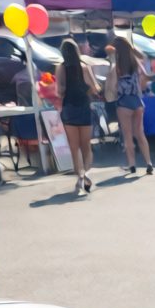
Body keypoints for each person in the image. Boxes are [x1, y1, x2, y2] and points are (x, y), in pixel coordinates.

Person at [57, 38, 99, 194]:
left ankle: (80, 176)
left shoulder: (61, 68)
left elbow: (59, 91)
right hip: (84, 107)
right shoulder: (84, 67)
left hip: (69, 108)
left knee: (74, 148)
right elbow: (94, 88)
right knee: (86, 146)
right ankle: (86, 172)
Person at [111, 35, 153, 177]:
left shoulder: (117, 66)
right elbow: (145, 76)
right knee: (140, 133)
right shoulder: (135, 62)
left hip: (124, 102)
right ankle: (149, 162)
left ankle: (132, 164)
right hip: (137, 101)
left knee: (127, 135)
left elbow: (114, 85)